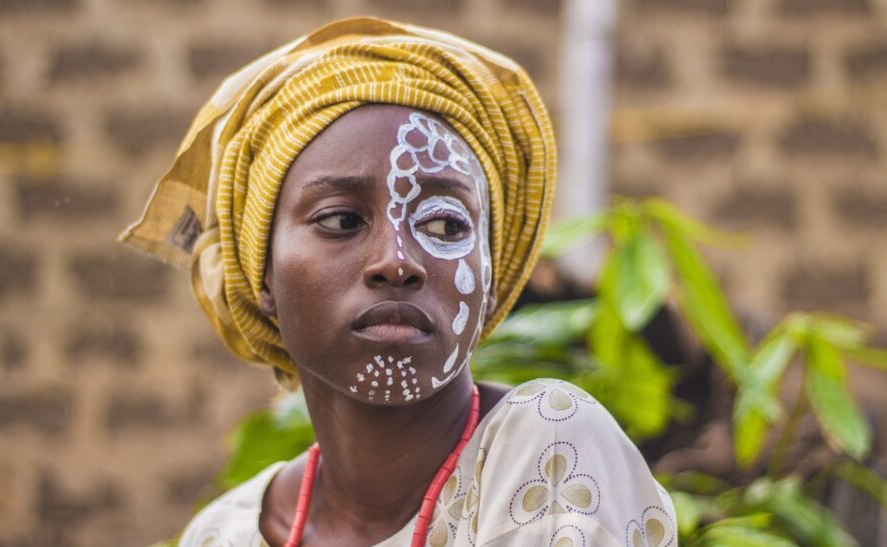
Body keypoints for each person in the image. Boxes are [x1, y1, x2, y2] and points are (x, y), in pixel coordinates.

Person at [121, 17, 676, 547]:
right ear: (260, 273)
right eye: (340, 221)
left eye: (445, 224)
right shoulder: (222, 534)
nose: (397, 260)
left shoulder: (549, 446)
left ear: (490, 276)